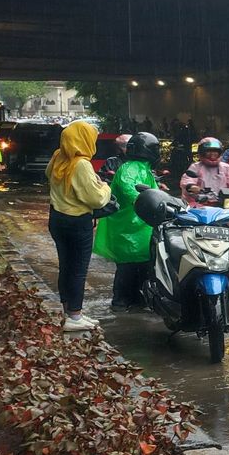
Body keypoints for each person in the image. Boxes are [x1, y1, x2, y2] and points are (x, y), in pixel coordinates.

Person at [45, 121, 113, 332]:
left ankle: (69, 311)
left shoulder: (59, 156)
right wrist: (105, 187)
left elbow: (49, 175)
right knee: (78, 270)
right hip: (77, 222)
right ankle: (75, 316)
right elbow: (96, 199)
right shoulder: (81, 164)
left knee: (66, 266)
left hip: (57, 218)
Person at [94, 132, 160, 311]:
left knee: (144, 265)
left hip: (141, 226)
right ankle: (121, 302)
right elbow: (130, 190)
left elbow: (156, 193)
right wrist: (145, 202)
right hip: (128, 227)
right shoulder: (128, 169)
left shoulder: (144, 169)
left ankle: (139, 300)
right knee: (127, 267)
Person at [180, 137, 229, 205]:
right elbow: (187, 180)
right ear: (202, 152)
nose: (212, 154)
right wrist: (191, 186)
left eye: (215, 151)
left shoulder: (226, 167)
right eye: (209, 151)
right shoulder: (196, 167)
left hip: (223, 202)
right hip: (199, 202)